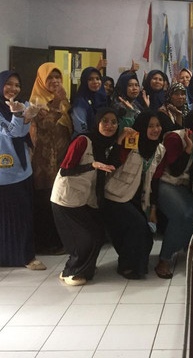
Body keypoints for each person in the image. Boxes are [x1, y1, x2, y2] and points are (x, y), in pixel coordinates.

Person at [0, 70, 46, 270]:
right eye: (8, 84)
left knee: (24, 214)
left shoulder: (23, 104)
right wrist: (19, 115)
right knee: (4, 216)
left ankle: (25, 255)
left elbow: (22, 133)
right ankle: (1, 254)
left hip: (23, 167)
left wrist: (26, 116)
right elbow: (11, 132)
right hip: (3, 171)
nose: (13, 89)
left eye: (17, 85)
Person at [50, 108, 118, 285]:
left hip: (83, 199)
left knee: (96, 233)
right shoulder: (83, 140)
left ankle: (83, 269)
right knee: (84, 238)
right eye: (105, 121)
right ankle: (71, 271)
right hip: (66, 198)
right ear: (97, 123)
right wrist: (91, 165)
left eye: (113, 122)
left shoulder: (104, 144)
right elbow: (65, 169)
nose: (109, 125)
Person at [102, 111, 165, 279]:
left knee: (144, 234)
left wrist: (153, 209)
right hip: (115, 195)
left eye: (158, 125)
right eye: (150, 126)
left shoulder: (159, 150)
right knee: (138, 227)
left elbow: (155, 181)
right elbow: (112, 163)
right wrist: (119, 141)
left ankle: (137, 267)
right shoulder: (131, 143)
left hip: (138, 199)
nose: (155, 129)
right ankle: (126, 266)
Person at [153, 109, 193, 278]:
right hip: (165, 182)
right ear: (191, 123)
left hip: (183, 185)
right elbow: (176, 170)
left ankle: (188, 247)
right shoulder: (175, 137)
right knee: (182, 215)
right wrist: (189, 150)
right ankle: (164, 259)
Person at [29, 63, 72, 255]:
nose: (55, 81)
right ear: (42, 80)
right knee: (45, 202)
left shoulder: (64, 101)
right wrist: (56, 101)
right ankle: (45, 244)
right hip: (44, 162)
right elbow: (45, 126)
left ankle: (59, 240)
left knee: (59, 201)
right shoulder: (36, 102)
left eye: (58, 77)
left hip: (61, 159)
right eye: (50, 78)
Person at [70, 67, 108, 138]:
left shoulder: (102, 98)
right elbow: (81, 130)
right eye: (90, 79)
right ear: (84, 82)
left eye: (98, 78)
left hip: (102, 140)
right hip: (85, 142)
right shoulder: (80, 102)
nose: (95, 81)